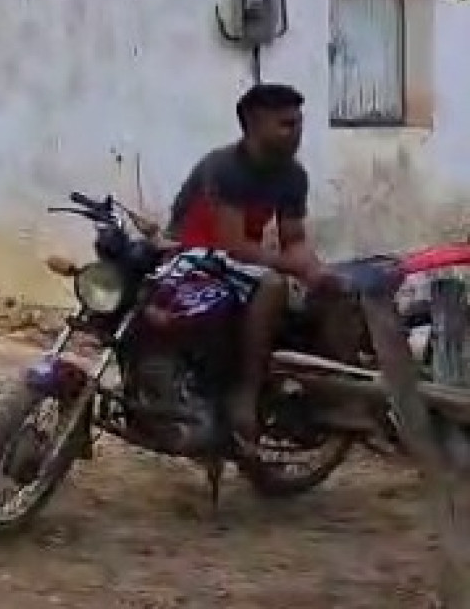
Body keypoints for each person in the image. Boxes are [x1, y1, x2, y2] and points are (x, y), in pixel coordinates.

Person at [159, 82, 374, 448]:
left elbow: (294, 239)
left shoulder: (292, 176)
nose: (296, 133)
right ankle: (246, 390)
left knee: (333, 293)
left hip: (236, 268)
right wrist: (295, 267)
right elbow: (234, 245)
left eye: (298, 124)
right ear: (254, 124)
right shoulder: (225, 167)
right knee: (272, 284)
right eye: (286, 125)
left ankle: (338, 398)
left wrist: (317, 272)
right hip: (190, 258)